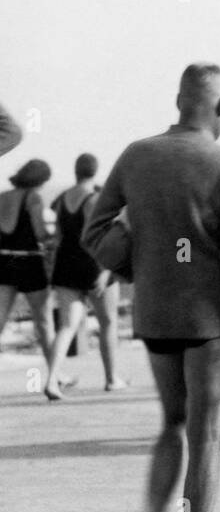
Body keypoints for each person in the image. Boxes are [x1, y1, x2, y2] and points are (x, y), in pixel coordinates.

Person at [83, 63, 220, 512]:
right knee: (205, 436)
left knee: (171, 424)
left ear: (178, 100)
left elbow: (95, 232)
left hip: (156, 315)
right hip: (209, 323)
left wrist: (139, 260)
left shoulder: (137, 154)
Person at [44, 153, 128, 398]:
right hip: (92, 265)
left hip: (65, 266)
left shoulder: (61, 200)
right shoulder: (95, 199)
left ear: (76, 171)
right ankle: (112, 378)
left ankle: (51, 380)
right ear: (96, 170)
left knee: (67, 325)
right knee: (108, 322)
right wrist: (107, 270)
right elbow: (98, 238)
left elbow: (57, 236)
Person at [0, 159, 55, 374]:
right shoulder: (33, 198)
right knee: (43, 321)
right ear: (39, 180)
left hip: (4, 260)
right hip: (29, 261)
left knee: (0, 318)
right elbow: (41, 233)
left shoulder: (2, 197)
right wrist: (55, 237)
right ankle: (55, 373)